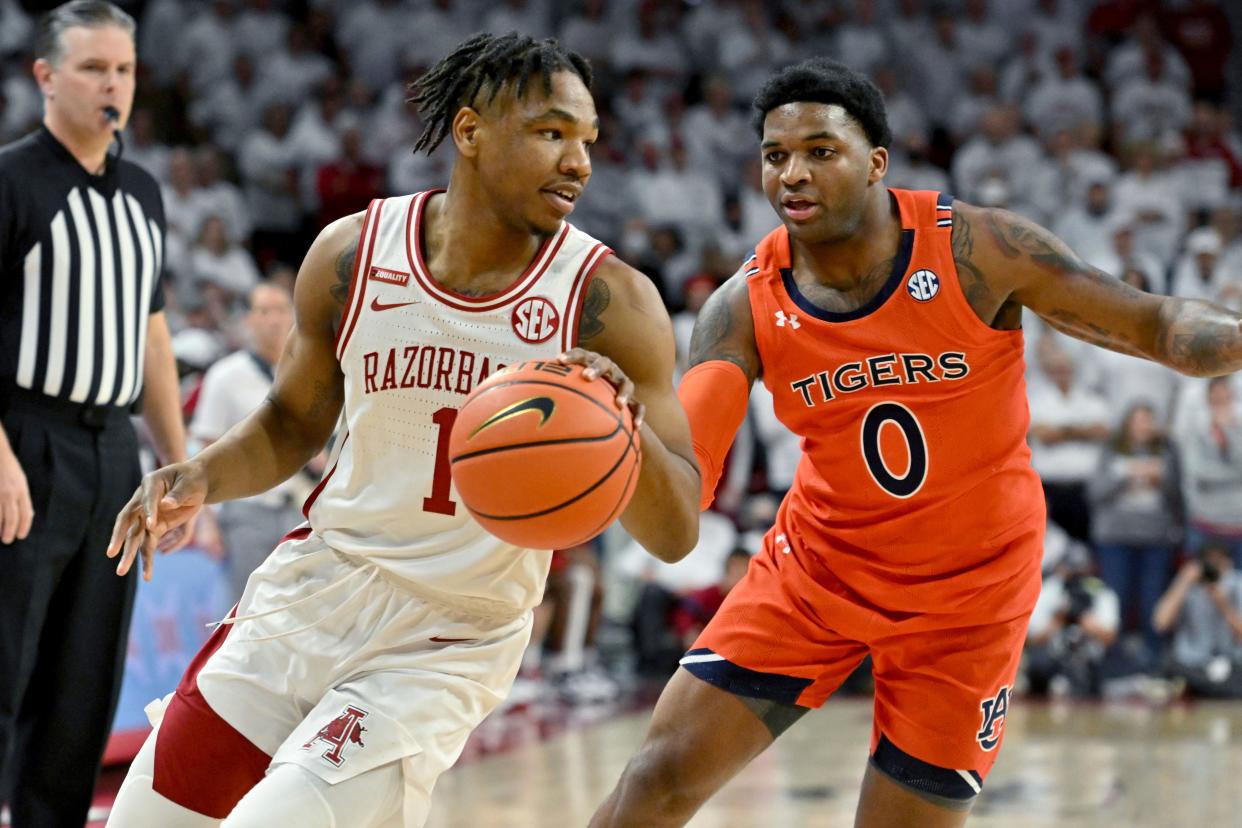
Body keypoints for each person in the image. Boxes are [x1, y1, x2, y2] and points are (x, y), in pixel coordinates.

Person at [591, 58, 1242, 828]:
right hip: (820, 577)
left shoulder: (980, 249)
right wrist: (614, 430)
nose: (793, 174)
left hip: (971, 598)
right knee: (657, 779)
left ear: (876, 163)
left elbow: (1159, 326)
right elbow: (677, 513)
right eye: (775, 156)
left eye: (820, 151)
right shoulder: (741, 309)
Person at [104, 32, 699, 828]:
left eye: (588, 140)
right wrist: (201, 476)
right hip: (312, 592)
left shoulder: (608, 303)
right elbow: (289, 422)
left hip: (449, 636)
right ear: (470, 132)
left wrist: (623, 430)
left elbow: (676, 531)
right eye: (552, 132)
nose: (579, 162)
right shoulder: (354, 254)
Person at [0, 3, 189, 825]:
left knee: (84, 683)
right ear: (44, 76)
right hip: (23, 439)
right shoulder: (12, 180)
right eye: (93, 68)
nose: (113, 83)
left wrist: (181, 468)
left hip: (114, 452)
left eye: (124, 68)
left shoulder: (144, 192)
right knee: (6, 667)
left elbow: (152, 335)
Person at [189, 282, 305, 600]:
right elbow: (204, 451)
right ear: (249, 320)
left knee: (299, 611)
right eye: (264, 311)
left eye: (282, 310)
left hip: (301, 506)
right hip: (247, 511)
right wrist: (205, 522)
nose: (274, 320)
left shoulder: (310, 371)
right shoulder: (225, 376)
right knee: (243, 610)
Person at [1153, 542, 1242, 699]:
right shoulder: (1187, 584)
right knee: (1169, 670)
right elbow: (1160, 624)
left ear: (1229, 564)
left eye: (1219, 564)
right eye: (1210, 564)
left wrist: (1223, 604)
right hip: (1192, 664)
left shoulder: (1237, 584)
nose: (1214, 570)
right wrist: (1183, 581)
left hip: (1231, 663)